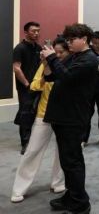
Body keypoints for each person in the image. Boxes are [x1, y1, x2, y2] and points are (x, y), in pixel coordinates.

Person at [42, 23, 98, 214]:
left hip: (73, 117)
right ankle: (72, 195)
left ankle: (80, 203)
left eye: (72, 39)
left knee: (72, 162)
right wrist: (47, 62)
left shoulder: (89, 59)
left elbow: (66, 77)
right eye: (67, 40)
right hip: (63, 115)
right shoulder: (75, 56)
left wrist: (52, 57)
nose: (69, 43)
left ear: (84, 39)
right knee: (67, 161)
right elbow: (51, 77)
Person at [11, 37, 68, 203]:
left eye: (61, 52)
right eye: (55, 52)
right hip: (44, 114)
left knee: (63, 151)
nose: (58, 55)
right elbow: (34, 85)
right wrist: (45, 73)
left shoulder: (72, 66)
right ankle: (19, 188)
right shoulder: (45, 64)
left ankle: (58, 183)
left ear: (68, 52)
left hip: (65, 116)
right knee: (32, 151)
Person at [12, 21, 42, 154]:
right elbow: (16, 68)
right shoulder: (20, 48)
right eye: (33, 31)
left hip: (37, 86)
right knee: (25, 114)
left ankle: (32, 139)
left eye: (38, 31)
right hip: (25, 87)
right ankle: (25, 143)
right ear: (26, 32)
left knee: (34, 113)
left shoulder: (38, 48)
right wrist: (26, 84)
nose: (36, 33)